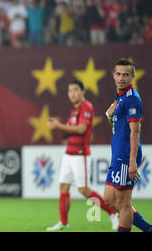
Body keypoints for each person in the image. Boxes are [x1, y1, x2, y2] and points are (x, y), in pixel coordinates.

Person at [46, 79, 119, 231]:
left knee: (84, 190)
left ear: (82, 92)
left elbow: (81, 129)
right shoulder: (74, 109)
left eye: (75, 90)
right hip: (69, 154)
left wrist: (58, 126)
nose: (72, 94)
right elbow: (70, 129)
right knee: (64, 187)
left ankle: (113, 213)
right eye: (69, 91)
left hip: (80, 154)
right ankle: (64, 223)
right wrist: (59, 124)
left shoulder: (87, 106)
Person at [104, 59, 152, 232]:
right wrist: (110, 117)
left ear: (132, 76)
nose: (121, 78)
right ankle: (147, 228)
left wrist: (132, 161)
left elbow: (135, 131)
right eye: (118, 74)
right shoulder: (120, 98)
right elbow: (120, 129)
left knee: (124, 204)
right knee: (109, 199)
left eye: (125, 74)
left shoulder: (132, 98)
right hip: (117, 155)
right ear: (113, 76)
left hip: (126, 156)